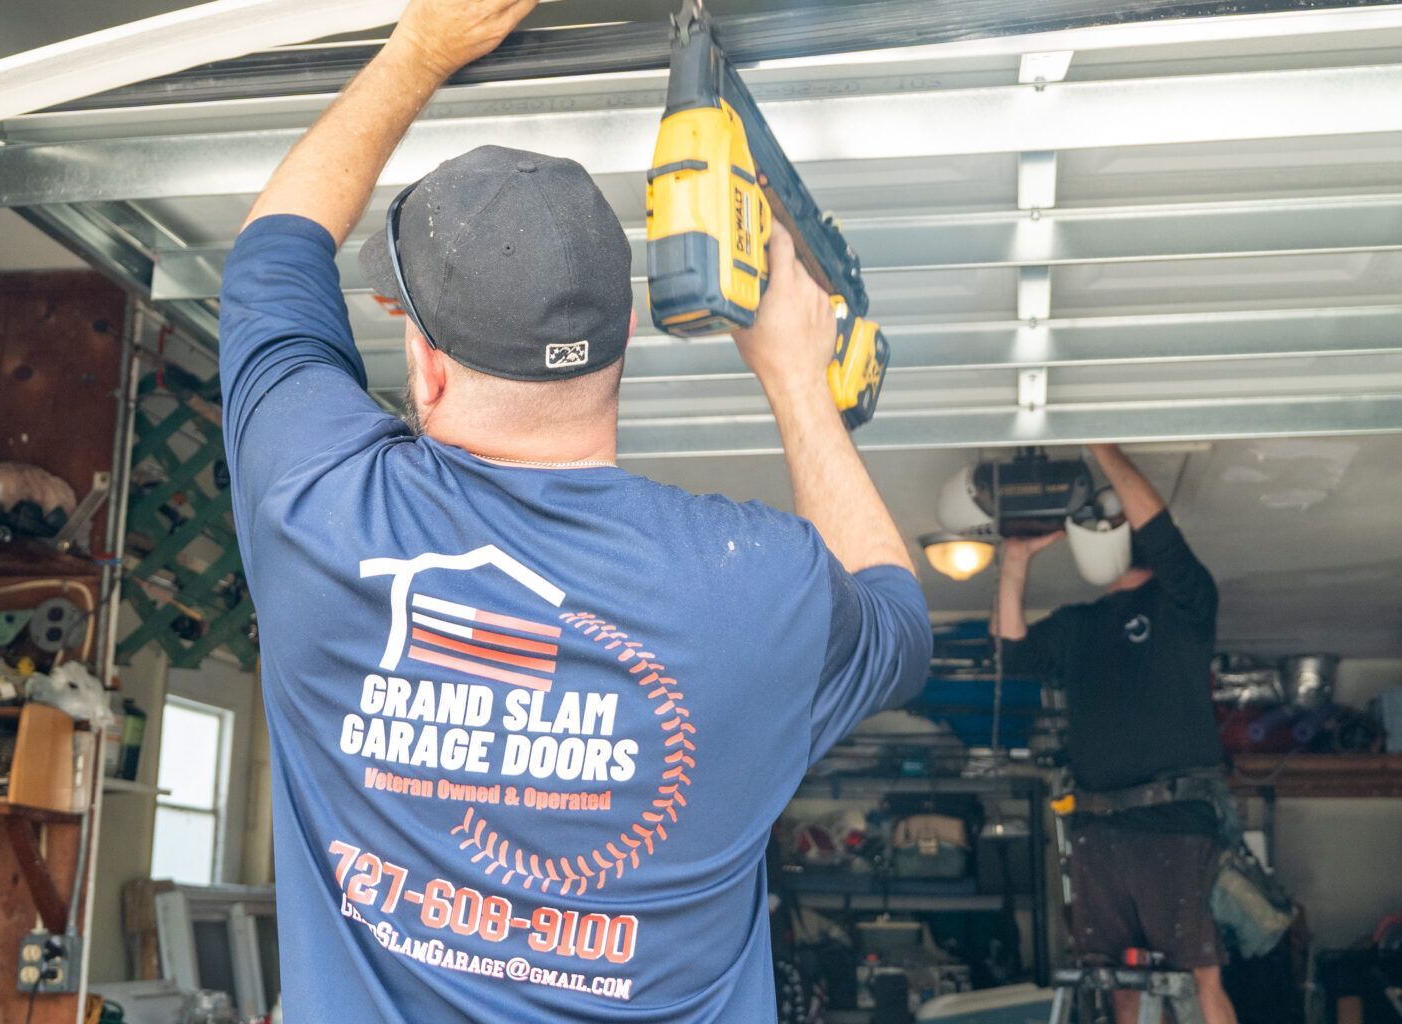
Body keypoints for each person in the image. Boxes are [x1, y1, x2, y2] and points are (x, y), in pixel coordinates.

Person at [216, 1, 931, 1021]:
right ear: (627, 330)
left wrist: (418, 52)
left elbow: (274, 255)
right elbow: (898, 628)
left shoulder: (318, 509)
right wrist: (799, 386)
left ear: (423, 367)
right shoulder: (755, 586)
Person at [994, 443, 1237, 1024]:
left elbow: (1161, 529)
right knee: (1115, 983)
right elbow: (1014, 652)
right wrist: (1016, 561)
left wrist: (1101, 444)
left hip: (1174, 822)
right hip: (1099, 827)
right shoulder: (1079, 625)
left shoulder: (1184, 602)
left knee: (1201, 974)